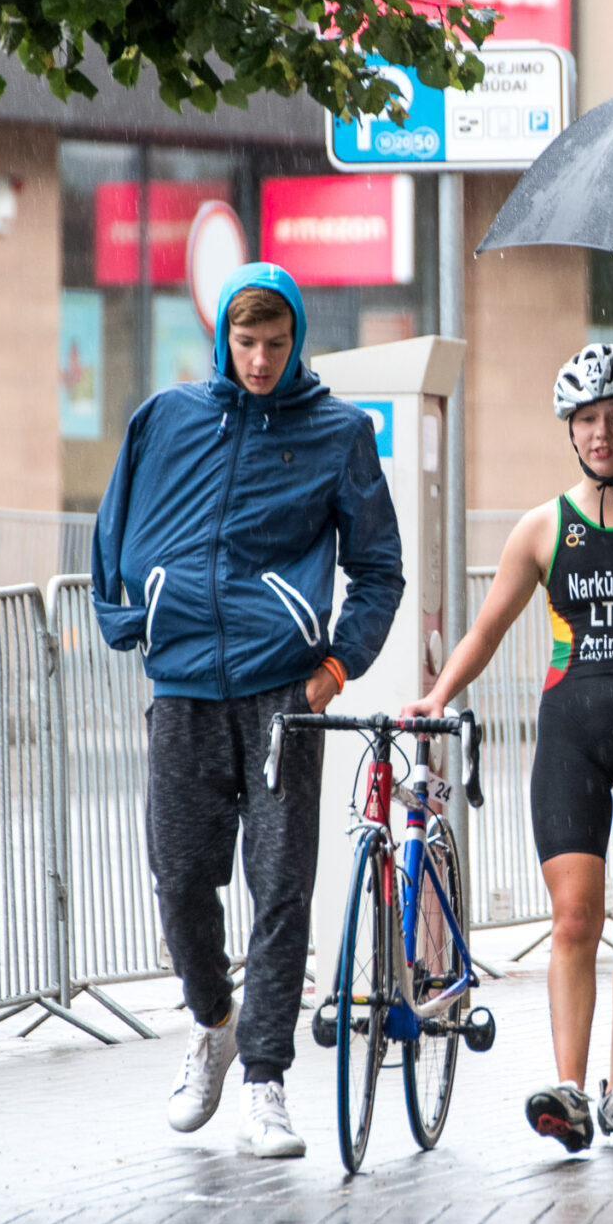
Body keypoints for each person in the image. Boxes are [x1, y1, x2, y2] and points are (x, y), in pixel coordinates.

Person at [90, 264, 404, 1159]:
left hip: (282, 692)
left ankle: (265, 1080)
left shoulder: (338, 433)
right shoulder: (166, 419)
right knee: (181, 877)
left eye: (275, 343)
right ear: (223, 339)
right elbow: (111, 531)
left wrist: (335, 669)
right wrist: (130, 620)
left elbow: (379, 569)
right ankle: (214, 1022)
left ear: (297, 339)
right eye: (246, 342)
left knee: (281, 886)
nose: (261, 360)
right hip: (184, 684)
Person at [405, 344, 613, 1152]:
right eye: (586, 420)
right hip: (570, 737)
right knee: (575, 916)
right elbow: (486, 630)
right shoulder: (543, 528)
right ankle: (571, 1091)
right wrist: (438, 696)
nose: (601, 433)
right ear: (570, 431)